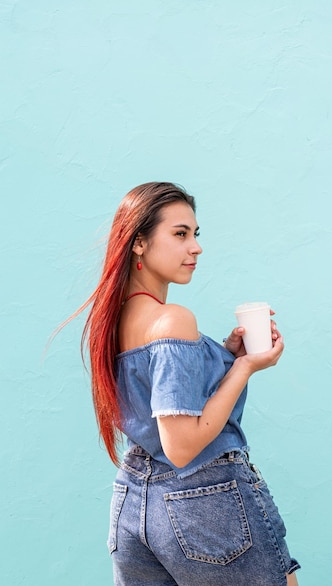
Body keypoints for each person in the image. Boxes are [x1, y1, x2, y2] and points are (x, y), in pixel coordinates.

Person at [73, 181, 300, 586]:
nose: (195, 247)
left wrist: (227, 356)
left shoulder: (116, 323)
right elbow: (181, 446)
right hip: (203, 499)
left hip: (135, 501)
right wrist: (244, 368)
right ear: (139, 242)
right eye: (180, 234)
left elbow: (158, 405)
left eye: (195, 235)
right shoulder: (173, 319)